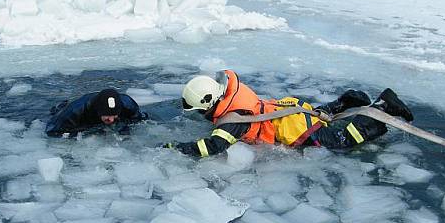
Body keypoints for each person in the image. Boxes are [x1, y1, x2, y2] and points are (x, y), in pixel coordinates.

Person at [163, 70, 413, 157]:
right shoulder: (231, 98)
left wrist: (177, 148)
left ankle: (382, 106)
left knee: (341, 141)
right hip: (283, 109)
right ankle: (346, 102)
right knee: (319, 115)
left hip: (292, 127)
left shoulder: (232, 121)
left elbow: (213, 147)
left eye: (198, 111)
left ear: (208, 102)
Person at [46, 88, 147, 137]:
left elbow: (138, 119)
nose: (111, 120)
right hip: (68, 112)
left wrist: (126, 128)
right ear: (99, 111)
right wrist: (88, 133)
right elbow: (52, 132)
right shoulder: (74, 112)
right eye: (107, 115)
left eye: (114, 115)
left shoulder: (128, 104)